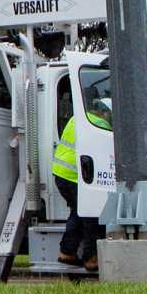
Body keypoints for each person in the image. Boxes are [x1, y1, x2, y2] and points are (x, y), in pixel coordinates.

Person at [52, 100, 107, 272]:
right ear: (103, 113)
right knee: (90, 217)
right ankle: (90, 258)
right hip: (75, 175)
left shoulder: (76, 119)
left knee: (78, 212)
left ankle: (67, 252)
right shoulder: (99, 124)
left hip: (61, 174)